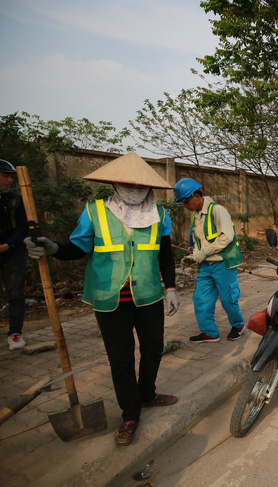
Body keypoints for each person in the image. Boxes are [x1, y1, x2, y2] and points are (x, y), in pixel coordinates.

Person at [25, 152, 180, 446]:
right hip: (110, 299)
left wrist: (171, 287)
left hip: (148, 295)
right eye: (127, 184)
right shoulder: (95, 211)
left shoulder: (160, 214)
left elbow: (165, 255)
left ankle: (147, 394)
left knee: (154, 349)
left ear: (149, 187)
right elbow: (77, 248)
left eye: (140, 185)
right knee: (121, 359)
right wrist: (53, 248)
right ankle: (130, 414)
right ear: (114, 184)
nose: (134, 189)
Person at [174, 178, 245, 343]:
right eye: (182, 202)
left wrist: (204, 252)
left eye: (186, 201)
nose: (185, 205)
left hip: (223, 264)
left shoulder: (217, 210)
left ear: (197, 196)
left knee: (228, 300)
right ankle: (210, 332)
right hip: (205, 266)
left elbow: (227, 237)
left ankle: (238, 325)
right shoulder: (195, 216)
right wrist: (195, 255)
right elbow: (198, 240)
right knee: (201, 299)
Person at [0, 159, 29, 350]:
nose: (9, 180)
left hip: (12, 252)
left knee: (16, 293)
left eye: (11, 176)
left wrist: (7, 245)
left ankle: (15, 334)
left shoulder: (15, 199)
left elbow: (22, 227)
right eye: (5, 176)